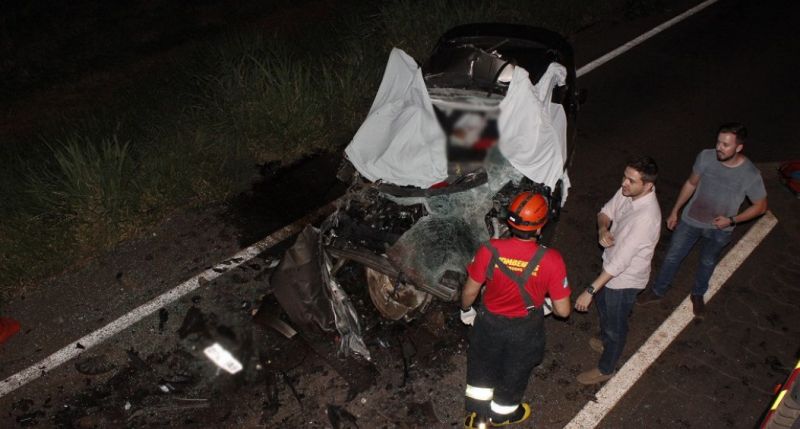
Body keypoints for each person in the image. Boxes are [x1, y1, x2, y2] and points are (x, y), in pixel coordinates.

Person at [459, 191, 571, 428]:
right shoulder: (552, 260)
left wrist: (466, 309)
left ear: (510, 221)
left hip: (489, 324)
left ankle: (478, 418)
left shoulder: (489, 249)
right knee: (515, 372)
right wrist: (546, 305)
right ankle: (503, 414)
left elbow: (470, 291)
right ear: (540, 227)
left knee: (481, 367)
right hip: (525, 330)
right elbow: (563, 311)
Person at [640, 123, 767, 318]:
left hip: (720, 229)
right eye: (718, 142)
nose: (719, 147)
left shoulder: (750, 174)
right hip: (691, 220)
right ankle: (658, 290)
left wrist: (732, 220)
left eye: (726, 145)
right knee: (673, 256)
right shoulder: (706, 157)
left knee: (707, 262)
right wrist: (675, 210)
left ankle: (698, 294)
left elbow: (760, 206)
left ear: (739, 147)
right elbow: (691, 183)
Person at [574, 157, 661, 384]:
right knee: (604, 308)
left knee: (616, 325)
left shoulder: (646, 217)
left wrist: (590, 290)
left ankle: (606, 368)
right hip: (610, 269)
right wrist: (603, 228)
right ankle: (606, 339)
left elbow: (621, 262)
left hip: (624, 280)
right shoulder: (628, 191)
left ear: (648, 186)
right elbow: (606, 211)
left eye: (631, 180)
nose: (624, 183)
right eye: (625, 176)